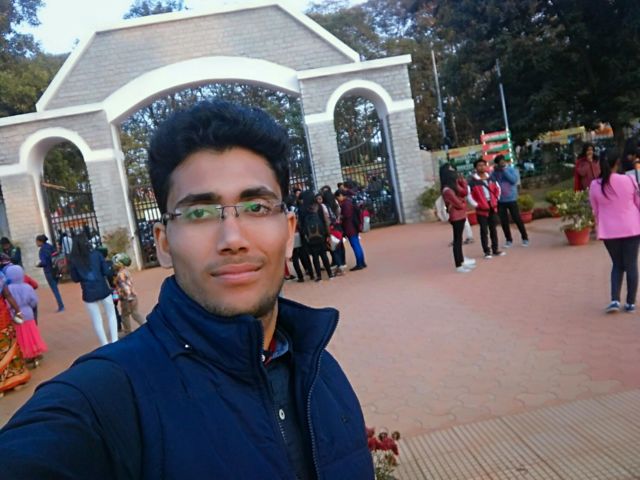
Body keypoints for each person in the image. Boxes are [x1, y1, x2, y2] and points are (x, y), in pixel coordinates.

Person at [0, 100, 373, 479]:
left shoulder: (318, 370)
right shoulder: (107, 401)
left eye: (257, 207)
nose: (233, 239)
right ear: (163, 243)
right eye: (199, 213)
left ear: (290, 231)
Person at [589, 149, 640, 313]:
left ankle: (615, 300)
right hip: (631, 228)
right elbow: (638, 203)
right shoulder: (629, 180)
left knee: (617, 264)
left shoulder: (595, 185)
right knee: (631, 265)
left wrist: (598, 225)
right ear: (617, 162)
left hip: (609, 231)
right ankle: (630, 303)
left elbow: (595, 209)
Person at [68, 232, 118, 346]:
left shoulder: (74, 260)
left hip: (88, 293)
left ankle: (104, 344)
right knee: (111, 314)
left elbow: (75, 279)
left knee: (97, 320)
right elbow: (106, 271)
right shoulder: (96, 254)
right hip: (103, 289)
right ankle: (115, 340)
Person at [5, 265, 47, 368]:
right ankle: (35, 354)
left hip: (15, 315)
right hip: (28, 313)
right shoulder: (27, 287)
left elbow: (7, 303)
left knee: (20, 336)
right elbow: (34, 301)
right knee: (31, 334)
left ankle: (23, 355)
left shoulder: (8, 289)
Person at [440, 163, 476, 273]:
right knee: (457, 240)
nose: (454, 172)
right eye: (451, 170)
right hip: (456, 217)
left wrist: (462, 181)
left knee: (459, 239)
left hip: (461, 215)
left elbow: (464, 192)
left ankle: (462, 260)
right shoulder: (447, 190)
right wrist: (463, 201)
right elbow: (459, 204)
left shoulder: (453, 185)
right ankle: (459, 265)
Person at [0, 271, 31, 395]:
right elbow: (7, 295)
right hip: (3, 318)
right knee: (10, 346)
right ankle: (16, 380)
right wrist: (18, 311)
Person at [468, 159, 505, 259]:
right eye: (479, 165)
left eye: (483, 165)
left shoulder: (491, 178)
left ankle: (495, 249)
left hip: (492, 206)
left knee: (493, 229)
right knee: (484, 230)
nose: (482, 167)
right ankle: (486, 251)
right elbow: (469, 194)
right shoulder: (472, 181)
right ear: (475, 168)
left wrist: (496, 199)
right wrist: (476, 204)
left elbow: (498, 189)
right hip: (481, 208)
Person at [491, 155, 529, 248]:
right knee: (504, 221)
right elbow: (492, 181)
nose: (502, 163)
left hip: (511, 198)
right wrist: (495, 171)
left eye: (502, 161)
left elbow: (513, 180)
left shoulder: (511, 169)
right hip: (500, 200)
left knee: (517, 218)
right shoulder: (495, 172)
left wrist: (504, 171)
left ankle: (525, 238)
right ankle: (508, 240)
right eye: (499, 162)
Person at [300, 191, 334, 282]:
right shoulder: (318, 206)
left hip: (310, 237)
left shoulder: (302, 209)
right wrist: (327, 234)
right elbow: (324, 220)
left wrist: (305, 234)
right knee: (324, 255)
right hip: (321, 234)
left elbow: (301, 224)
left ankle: (319, 276)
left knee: (315, 257)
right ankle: (330, 274)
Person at [112, 253, 146, 335]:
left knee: (125, 315)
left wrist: (124, 295)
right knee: (135, 313)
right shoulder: (126, 271)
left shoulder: (121, 274)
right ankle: (146, 325)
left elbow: (124, 287)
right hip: (133, 296)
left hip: (127, 298)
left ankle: (128, 332)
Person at [335, 190, 368, 271]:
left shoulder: (345, 204)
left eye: (338, 197)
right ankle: (362, 262)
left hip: (350, 228)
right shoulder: (349, 202)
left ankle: (359, 263)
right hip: (353, 226)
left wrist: (340, 217)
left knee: (355, 245)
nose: (338, 199)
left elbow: (346, 215)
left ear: (341, 195)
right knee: (357, 245)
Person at [35, 234, 65, 312]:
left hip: (48, 271)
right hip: (56, 269)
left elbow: (44, 262)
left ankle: (61, 306)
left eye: (37, 241)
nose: (36, 243)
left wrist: (38, 265)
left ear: (40, 241)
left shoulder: (42, 250)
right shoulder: (50, 246)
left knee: (54, 289)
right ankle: (61, 305)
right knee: (56, 287)